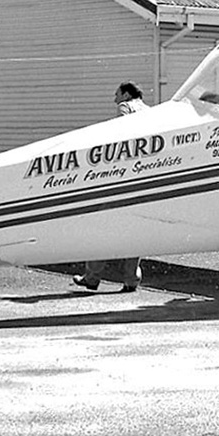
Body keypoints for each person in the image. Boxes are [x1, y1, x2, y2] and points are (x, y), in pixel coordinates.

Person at [72, 82, 149, 293]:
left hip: (121, 178)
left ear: (125, 94)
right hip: (141, 178)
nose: (114, 99)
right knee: (134, 229)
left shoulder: (126, 107)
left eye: (116, 94)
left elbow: (122, 135)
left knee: (101, 227)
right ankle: (132, 279)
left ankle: (92, 277)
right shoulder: (149, 111)